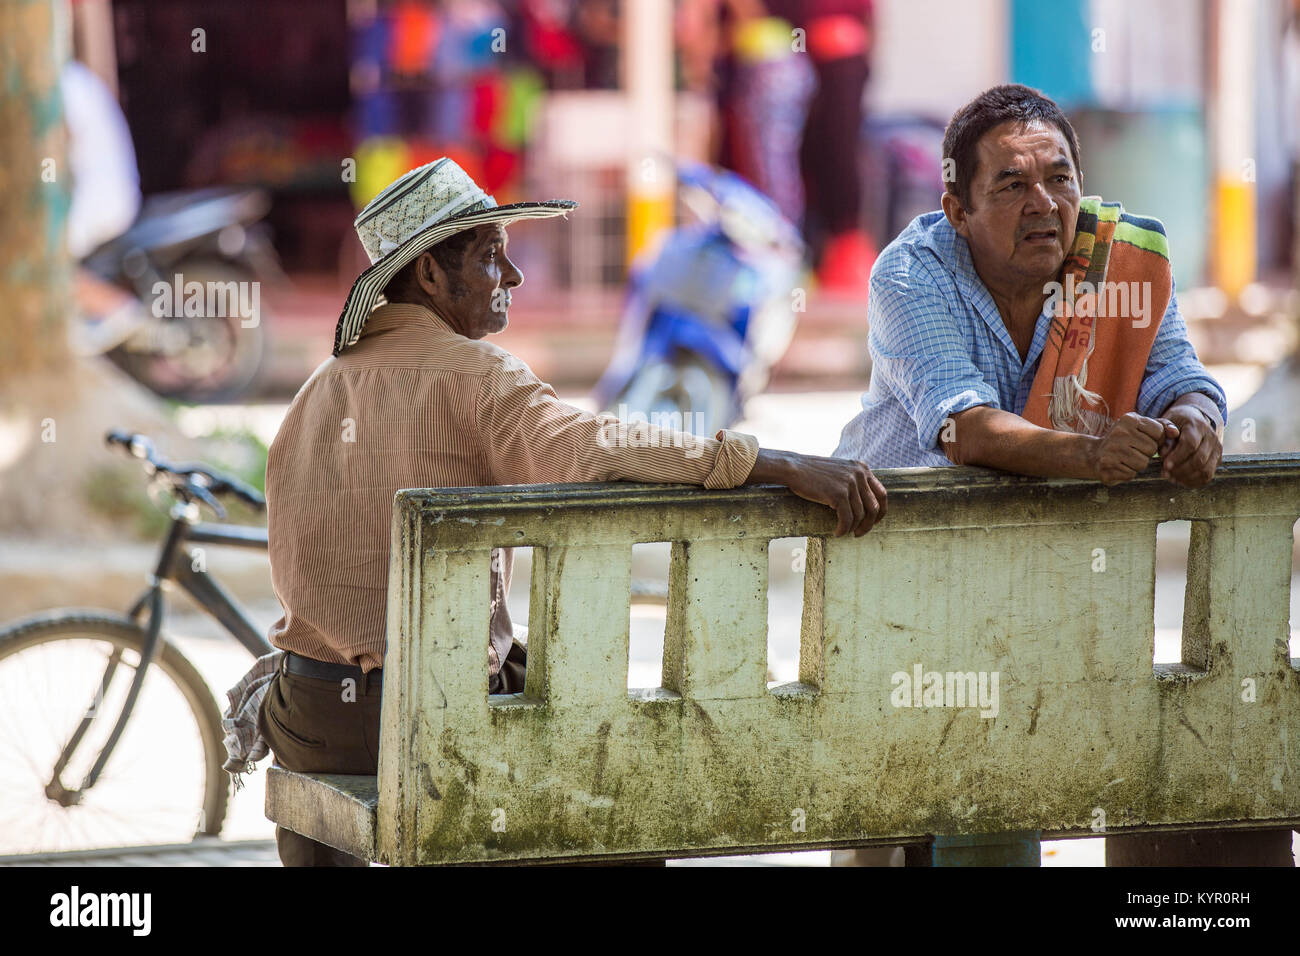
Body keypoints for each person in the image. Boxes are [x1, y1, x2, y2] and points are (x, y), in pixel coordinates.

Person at [255, 157, 887, 866]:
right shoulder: (477, 377)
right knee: (623, 807)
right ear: (431, 275)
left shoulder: (319, 387)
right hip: (427, 718)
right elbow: (596, 445)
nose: (514, 279)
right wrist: (777, 463)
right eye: (492, 257)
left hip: (307, 714)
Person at [834, 85, 1289, 867]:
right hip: (911, 584)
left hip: (1063, 586)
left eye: (1060, 178)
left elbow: (1180, 375)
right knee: (964, 807)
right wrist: (1089, 454)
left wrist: (1194, 425)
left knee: (1188, 758)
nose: (1044, 203)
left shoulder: (1121, 261)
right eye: (1011, 184)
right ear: (957, 206)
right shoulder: (909, 276)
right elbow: (967, 428)